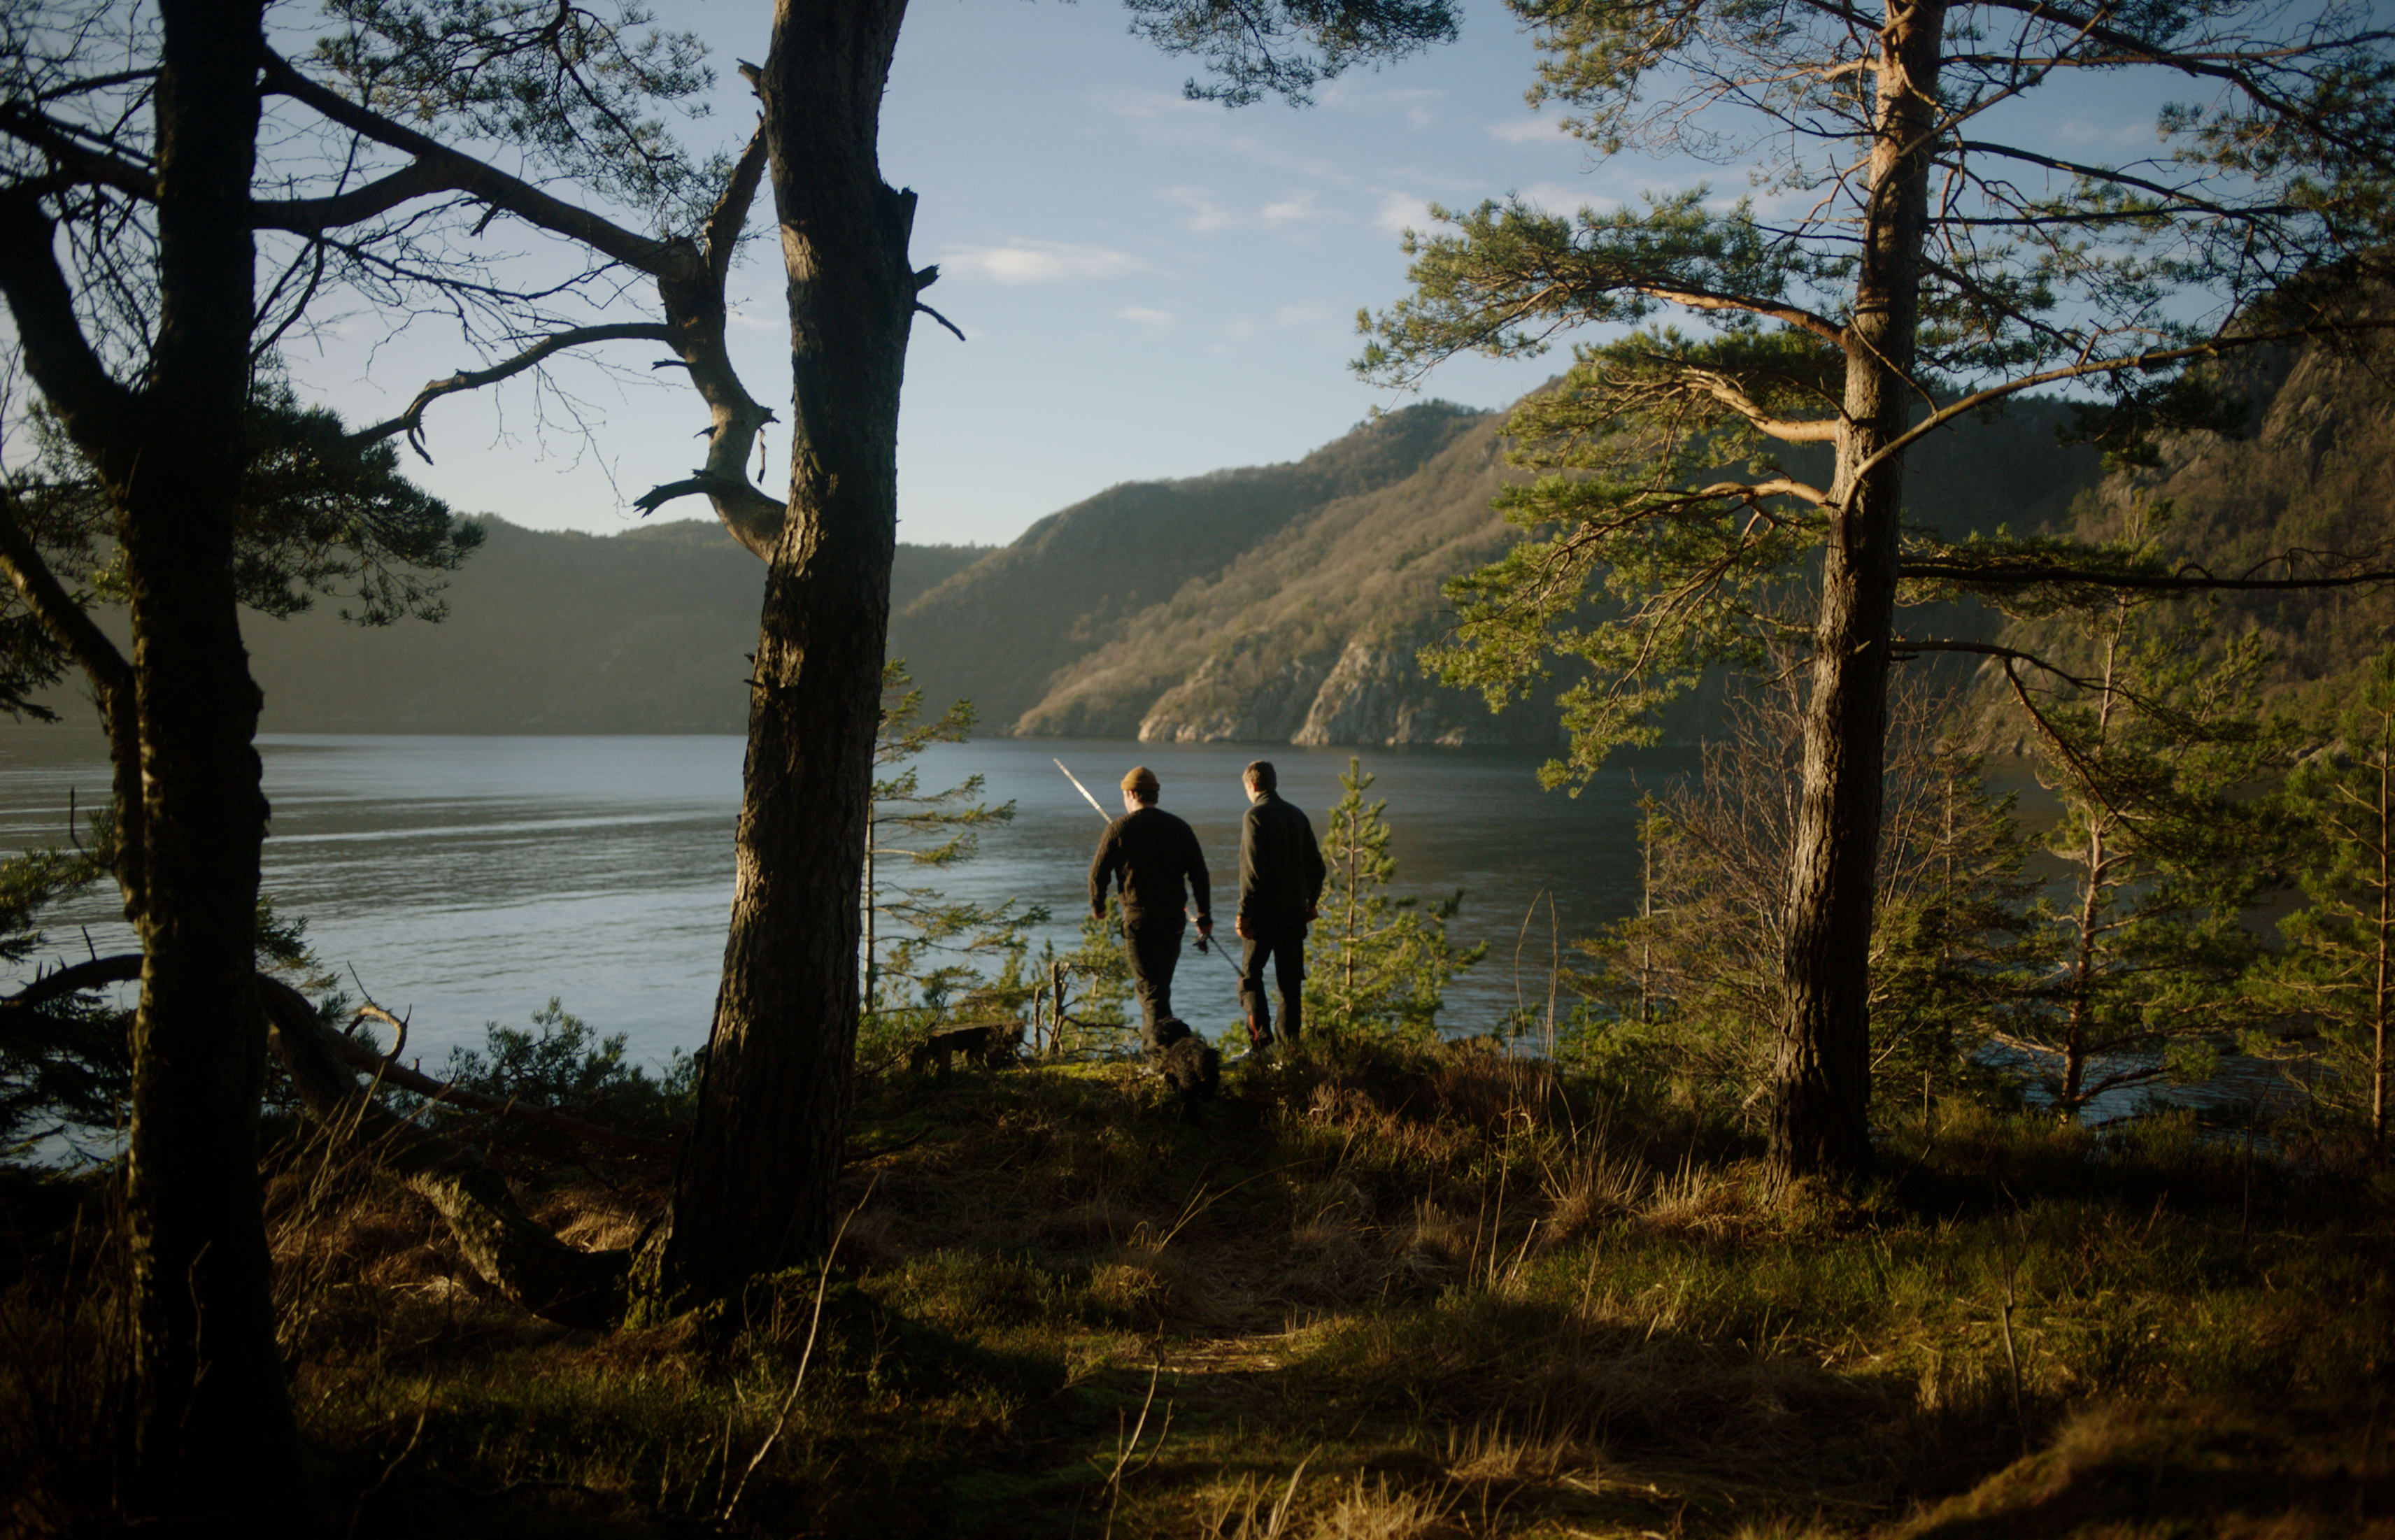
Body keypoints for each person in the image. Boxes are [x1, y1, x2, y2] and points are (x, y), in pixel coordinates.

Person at [1087, 765, 1211, 1051]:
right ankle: (1162, 1049)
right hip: (1173, 921)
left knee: (1150, 990)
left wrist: (1098, 905)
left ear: (1131, 794)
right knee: (1159, 987)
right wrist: (1204, 916)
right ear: (1155, 794)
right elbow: (1199, 875)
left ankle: (1159, 1054)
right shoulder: (1180, 828)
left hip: (1139, 920)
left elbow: (1098, 873)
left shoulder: (1119, 828)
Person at [1235, 760, 1324, 1055]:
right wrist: (1311, 902)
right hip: (1293, 914)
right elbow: (1317, 867)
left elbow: (1252, 872)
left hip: (1262, 916)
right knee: (1289, 985)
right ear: (1274, 783)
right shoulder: (1297, 816)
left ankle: (1262, 1044)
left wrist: (1244, 913)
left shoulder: (1254, 816)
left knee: (1249, 977)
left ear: (1254, 785)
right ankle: (1291, 1050)